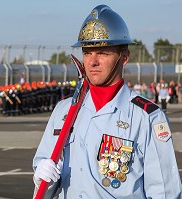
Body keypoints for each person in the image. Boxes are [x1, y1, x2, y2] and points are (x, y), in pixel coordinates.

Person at [32, 5, 181, 199]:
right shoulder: (63, 111)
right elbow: (45, 188)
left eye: (102, 53)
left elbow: (165, 193)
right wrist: (44, 182)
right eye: (87, 52)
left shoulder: (147, 117)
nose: (92, 62)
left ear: (124, 57)